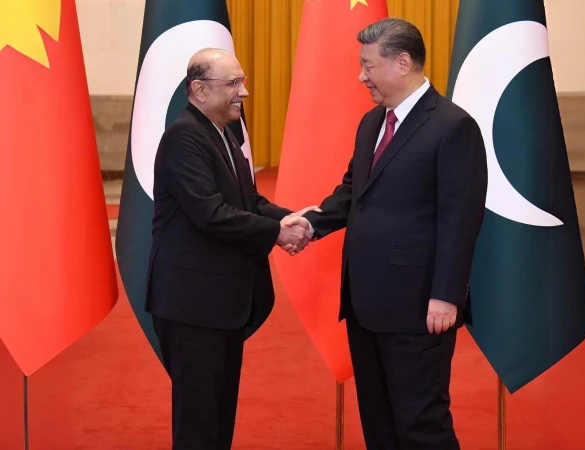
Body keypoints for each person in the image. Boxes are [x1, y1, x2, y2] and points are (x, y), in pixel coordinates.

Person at [302, 18, 488, 449]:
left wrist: (446, 295)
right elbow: (354, 192)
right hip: (365, 303)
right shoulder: (372, 122)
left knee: (421, 423)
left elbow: (461, 219)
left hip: (418, 306)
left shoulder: (452, 125)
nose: (361, 76)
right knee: (379, 420)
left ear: (402, 62)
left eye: (368, 65)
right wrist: (310, 224)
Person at [145, 48, 316, 450]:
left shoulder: (222, 133)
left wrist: (296, 219)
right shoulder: (184, 138)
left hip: (219, 303)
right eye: (234, 83)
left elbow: (248, 201)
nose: (245, 92)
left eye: (243, 81)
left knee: (219, 416)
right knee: (200, 424)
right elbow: (211, 215)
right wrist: (278, 233)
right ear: (200, 90)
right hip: (192, 306)